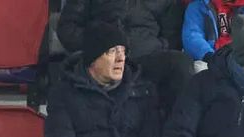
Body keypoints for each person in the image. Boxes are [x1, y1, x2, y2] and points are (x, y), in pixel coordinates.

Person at [46, 24, 166, 137]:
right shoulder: (63, 94)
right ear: (93, 59)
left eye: (123, 51)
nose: (120, 59)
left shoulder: (143, 90)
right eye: (112, 52)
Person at [56, 0, 196, 113]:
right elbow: (67, 28)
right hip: (104, 55)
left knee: (181, 63)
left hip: (147, 57)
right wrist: (97, 46)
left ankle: (179, 135)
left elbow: (173, 34)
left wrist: (160, 46)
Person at [182, 0, 244, 71]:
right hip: (208, 58)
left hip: (239, 59)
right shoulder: (198, 5)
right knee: (198, 68)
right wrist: (209, 56)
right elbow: (192, 36)